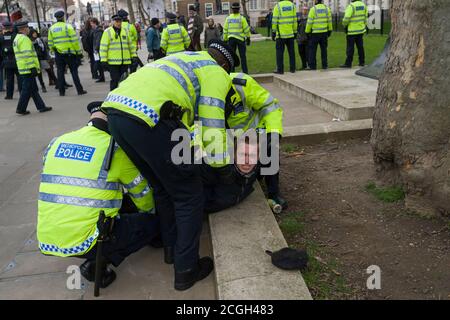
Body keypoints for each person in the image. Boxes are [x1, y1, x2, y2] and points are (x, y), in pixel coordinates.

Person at [101, 40, 240, 291]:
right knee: (189, 195)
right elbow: (212, 125)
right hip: (151, 121)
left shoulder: (184, 58)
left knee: (162, 188)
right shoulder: (216, 72)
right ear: (224, 64)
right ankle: (187, 269)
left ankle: (171, 249)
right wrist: (223, 168)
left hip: (115, 114)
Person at [37, 101, 159, 287]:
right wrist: (151, 214)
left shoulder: (57, 141)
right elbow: (142, 194)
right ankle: (96, 263)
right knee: (153, 223)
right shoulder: (113, 150)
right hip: (86, 240)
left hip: (47, 237)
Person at [226, 72, 286, 208]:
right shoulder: (204, 89)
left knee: (270, 152)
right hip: (227, 139)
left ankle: (274, 193)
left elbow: (270, 106)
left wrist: (274, 133)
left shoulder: (242, 83)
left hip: (255, 134)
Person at [13, 21, 52, 115]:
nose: (29, 30)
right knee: (26, 89)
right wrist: (32, 67)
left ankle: (41, 106)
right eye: (27, 28)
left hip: (23, 68)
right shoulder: (24, 39)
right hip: (28, 68)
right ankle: (20, 108)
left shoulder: (17, 38)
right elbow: (27, 55)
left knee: (33, 89)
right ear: (23, 29)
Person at [48, 10, 87, 96]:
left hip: (58, 53)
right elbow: (74, 41)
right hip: (70, 53)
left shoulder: (51, 28)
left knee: (60, 72)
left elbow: (50, 43)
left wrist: (53, 50)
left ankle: (61, 92)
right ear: (63, 17)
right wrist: (78, 52)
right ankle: (79, 90)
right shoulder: (67, 27)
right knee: (74, 72)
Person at [100, 14, 138, 91]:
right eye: (116, 21)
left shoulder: (125, 31)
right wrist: (103, 60)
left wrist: (134, 55)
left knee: (124, 81)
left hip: (125, 61)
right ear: (113, 22)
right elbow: (103, 47)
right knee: (115, 80)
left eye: (120, 21)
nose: (118, 23)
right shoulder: (107, 32)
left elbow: (130, 45)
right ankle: (112, 96)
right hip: (113, 63)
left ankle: (122, 96)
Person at [223, 2, 251, 74]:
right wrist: (248, 38)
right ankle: (245, 71)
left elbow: (225, 30)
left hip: (231, 39)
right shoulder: (242, 18)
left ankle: (232, 71)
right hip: (240, 40)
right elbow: (246, 29)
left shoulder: (228, 18)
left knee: (231, 56)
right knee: (243, 57)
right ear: (239, 9)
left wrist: (225, 39)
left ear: (232, 9)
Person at [305, 0, 332, 70]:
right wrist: (330, 30)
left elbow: (310, 22)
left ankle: (312, 66)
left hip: (315, 33)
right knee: (324, 50)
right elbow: (329, 20)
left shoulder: (313, 9)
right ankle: (325, 65)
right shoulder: (327, 9)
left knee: (312, 51)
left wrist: (307, 32)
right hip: (324, 33)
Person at [272, 0, 297, 74]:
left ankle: (280, 69)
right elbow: (294, 20)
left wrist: (273, 32)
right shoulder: (292, 6)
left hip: (280, 35)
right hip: (290, 34)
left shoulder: (278, 6)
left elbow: (274, 20)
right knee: (291, 52)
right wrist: (295, 31)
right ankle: (293, 68)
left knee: (279, 53)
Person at [340, 0, 368, 68]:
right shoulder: (363, 5)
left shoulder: (351, 6)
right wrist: (364, 25)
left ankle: (348, 63)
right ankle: (362, 62)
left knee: (350, 48)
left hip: (352, 31)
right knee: (360, 47)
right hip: (360, 30)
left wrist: (344, 25)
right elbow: (365, 17)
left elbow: (346, 18)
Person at [0, 21, 22, 99]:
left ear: (4, 28)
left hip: (6, 61)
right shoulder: (16, 36)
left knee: (9, 79)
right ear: (11, 27)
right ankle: (22, 93)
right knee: (19, 78)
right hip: (17, 60)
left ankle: (9, 95)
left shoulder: (1, 37)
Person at [29, 28, 52, 93]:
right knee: (39, 74)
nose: (35, 34)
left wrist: (47, 57)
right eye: (33, 33)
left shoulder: (40, 40)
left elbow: (44, 49)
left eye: (35, 33)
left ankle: (56, 82)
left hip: (42, 58)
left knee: (49, 70)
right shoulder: (29, 41)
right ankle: (43, 86)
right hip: (36, 60)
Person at [91, 18, 105, 83]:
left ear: (94, 23)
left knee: (99, 64)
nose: (91, 25)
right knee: (99, 64)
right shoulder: (96, 30)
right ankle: (101, 77)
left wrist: (96, 48)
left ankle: (101, 77)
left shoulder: (98, 31)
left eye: (91, 23)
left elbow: (98, 40)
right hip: (97, 49)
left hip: (98, 50)